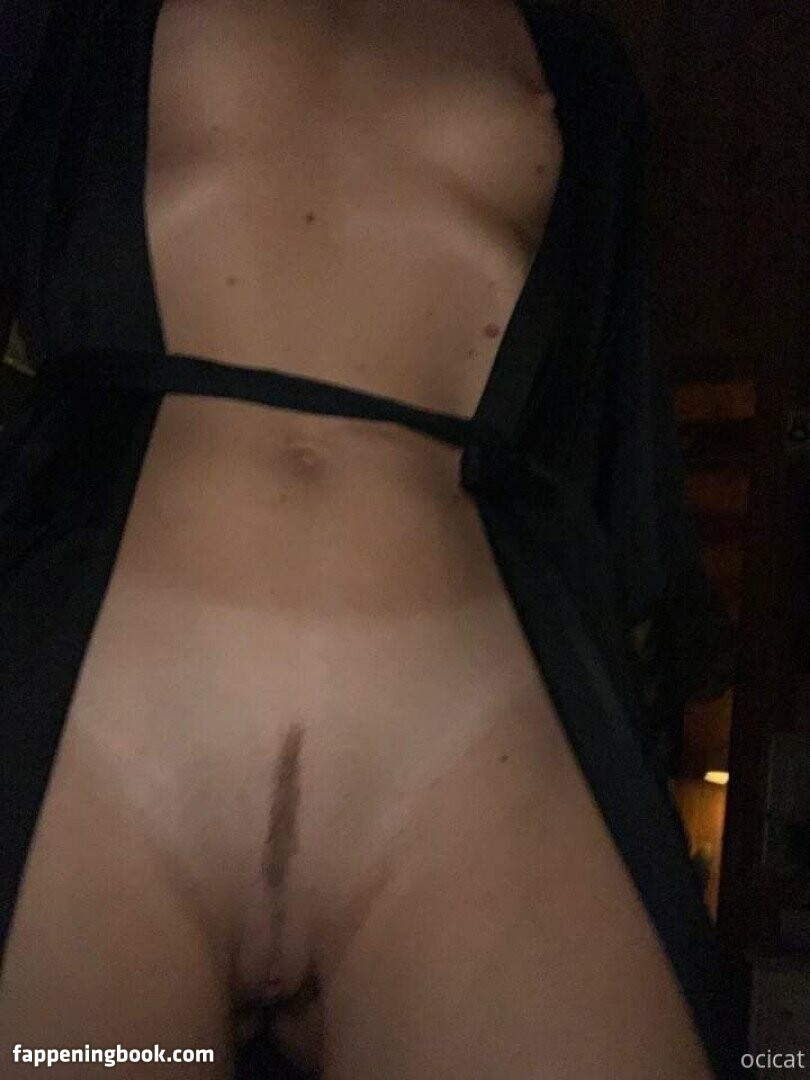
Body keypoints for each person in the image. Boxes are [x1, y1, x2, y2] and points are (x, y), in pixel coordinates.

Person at [0, 1, 744, 1077]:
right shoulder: (59, 24)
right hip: (100, 716)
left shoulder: (576, 49)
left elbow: (600, 413)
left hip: (469, 734)